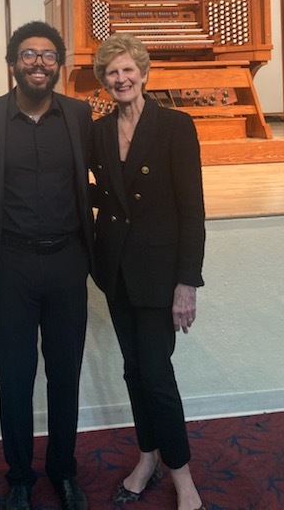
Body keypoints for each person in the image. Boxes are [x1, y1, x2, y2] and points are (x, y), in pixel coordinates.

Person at [0, 21, 94, 510]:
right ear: (12, 63)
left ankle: (64, 471)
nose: (38, 63)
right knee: (15, 378)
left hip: (67, 262)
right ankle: (19, 475)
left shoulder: (80, 115)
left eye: (47, 55)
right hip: (12, 264)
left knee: (66, 375)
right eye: (28, 55)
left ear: (58, 65)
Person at [90, 33, 206, 510]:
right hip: (116, 269)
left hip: (160, 274)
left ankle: (183, 478)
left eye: (127, 70)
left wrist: (187, 282)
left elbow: (191, 209)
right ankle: (147, 456)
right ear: (104, 81)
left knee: (157, 375)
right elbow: (107, 197)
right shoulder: (98, 130)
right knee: (133, 370)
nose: (120, 79)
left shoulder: (176, 126)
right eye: (111, 73)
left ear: (143, 72)